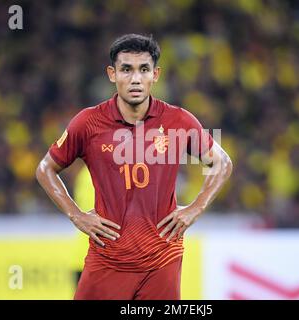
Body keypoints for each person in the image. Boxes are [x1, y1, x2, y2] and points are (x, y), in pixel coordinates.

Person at [35, 33, 232, 300]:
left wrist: (197, 207)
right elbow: (45, 169)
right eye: (126, 69)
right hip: (107, 258)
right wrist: (76, 215)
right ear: (112, 74)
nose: (135, 78)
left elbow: (222, 162)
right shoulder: (88, 123)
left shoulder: (179, 121)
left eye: (144, 69)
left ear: (156, 74)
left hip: (163, 257)